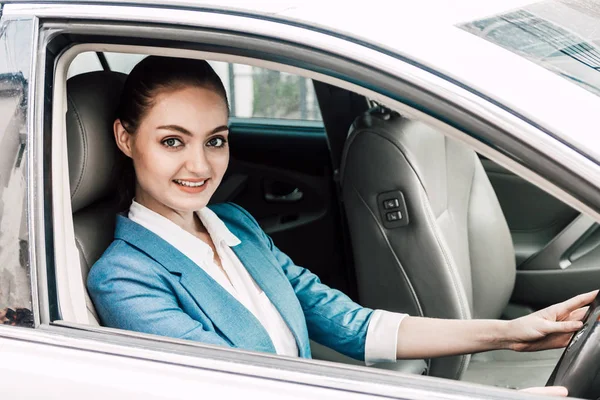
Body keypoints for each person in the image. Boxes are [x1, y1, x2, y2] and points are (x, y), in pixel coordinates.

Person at [87, 56, 595, 396]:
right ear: (126, 139)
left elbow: (350, 325)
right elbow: (252, 391)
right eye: (172, 141)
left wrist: (509, 334)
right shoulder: (125, 276)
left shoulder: (234, 224)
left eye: (215, 140)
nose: (200, 165)